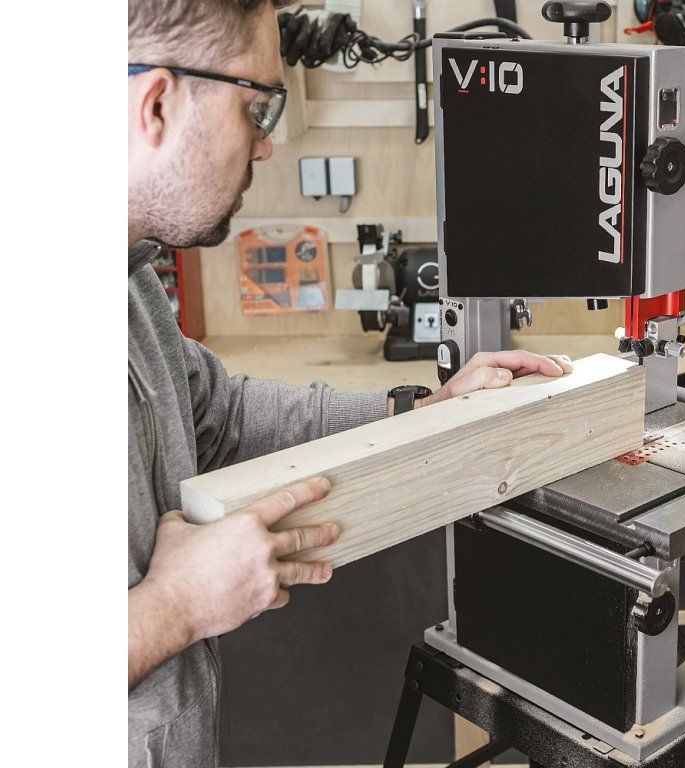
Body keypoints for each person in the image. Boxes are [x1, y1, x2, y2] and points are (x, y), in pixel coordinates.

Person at [127, 2, 571, 765]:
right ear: (158, 104)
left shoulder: (131, 282)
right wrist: (174, 607)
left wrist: (422, 411)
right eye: (257, 106)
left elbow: (219, 414)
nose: (266, 144)